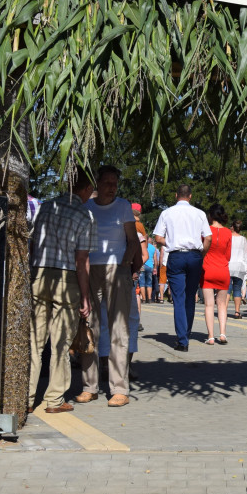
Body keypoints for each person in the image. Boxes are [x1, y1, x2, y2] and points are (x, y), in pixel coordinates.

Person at [28, 173, 96, 414]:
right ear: (86, 189)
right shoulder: (85, 215)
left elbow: (33, 243)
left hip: (39, 274)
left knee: (34, 340)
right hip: (66, 278)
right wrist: (85, 297)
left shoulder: (45, 207)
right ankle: (54, 399)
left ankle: (27, 397)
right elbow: (82, 259)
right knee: (60, 341)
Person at [79, 166, 142, 408]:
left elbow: (132, 240)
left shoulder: (123, 206)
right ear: (97, 183)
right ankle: (89, 386)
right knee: (89, 327)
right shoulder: (86, 207)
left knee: (118, 328)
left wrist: (125, 263)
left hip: (117, 270)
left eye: (115, 183)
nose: (111, 187)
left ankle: (119, 389)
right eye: (107, 182)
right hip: (90, 269)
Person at [153, 184, 212, 352]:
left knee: (178, 298)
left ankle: (182, 340)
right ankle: (186, 332)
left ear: (176, 195)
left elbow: (158, 238)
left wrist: (171, 242)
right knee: (190, 297)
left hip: (176, 255)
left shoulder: (167, 213)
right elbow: (208, 238)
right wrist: (201, 254)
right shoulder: (199, 213)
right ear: (190, 196)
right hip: (194, 255)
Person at [200, 203, 233, 345]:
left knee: (209, 304)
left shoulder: (205, 230)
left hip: (207, 269)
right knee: (222, 304)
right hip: (223, 270)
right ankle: (223, 334)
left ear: (210, 215)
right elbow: (228, 255)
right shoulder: (228, 232)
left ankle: (211, 336)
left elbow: (201, 248)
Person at [228, 219, 247, 319]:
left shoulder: (228, 238)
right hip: (240, 267)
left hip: (228, 266)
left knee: (227, 290)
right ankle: (237, 312)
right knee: (237, 289)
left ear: (232, 227)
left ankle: (224, 310)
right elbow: (246, 255)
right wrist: (246, 268)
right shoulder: (243, 239)